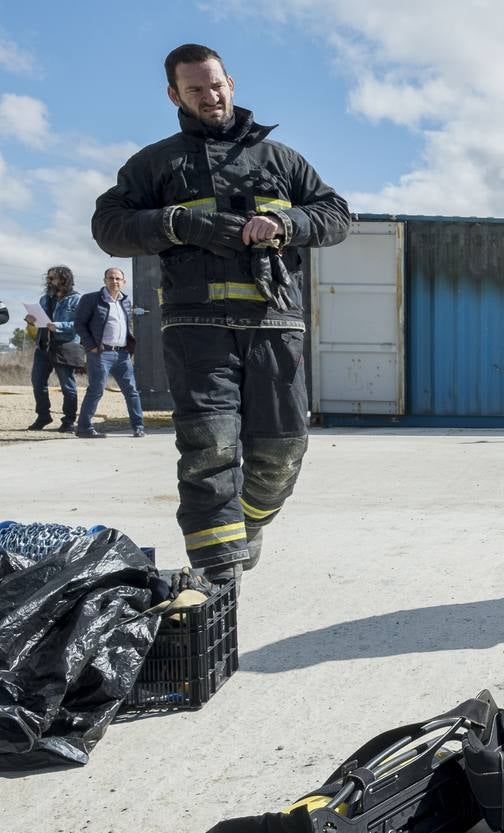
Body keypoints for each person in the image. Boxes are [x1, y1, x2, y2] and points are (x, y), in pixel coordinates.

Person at [92, 43, 350, 583]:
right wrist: (180, 225)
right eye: (195, 90)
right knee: (210, 450)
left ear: (231, 81)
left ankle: (247, 527)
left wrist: (285, 225)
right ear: (173, 95)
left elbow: (336, 215)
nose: (210, 97)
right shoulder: (155, 164)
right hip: (197, 330)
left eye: (216, 85)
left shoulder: (282, 160)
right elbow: (108, 227)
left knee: (282, 453)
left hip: (275, 325)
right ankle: (219, 574)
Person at [73, 267, 145, 438]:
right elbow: (79, 324)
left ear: (124, 282)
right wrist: (91, 346)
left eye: (118, 278)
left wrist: (129, 347)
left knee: (132, 391)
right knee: (96, 390)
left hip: (122, 354)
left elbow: (127, 325)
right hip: (100, 353)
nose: (115, 281)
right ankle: (84, 428)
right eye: (111, 278)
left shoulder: (126, 301)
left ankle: (138, 426)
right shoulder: (91, 299)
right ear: (104, 280)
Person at [24, 266, 83, 433]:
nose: (49, 281)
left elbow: (79, 324)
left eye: (52, 278)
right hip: (43, 346)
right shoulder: (44, 299)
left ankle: (69, 420)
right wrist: (31, 321)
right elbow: (40, 323)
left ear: (64, 280)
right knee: (38, 383)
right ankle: (43, 416)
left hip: (65, 346)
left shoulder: (77, 299)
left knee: (67, 386)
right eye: (48, 278)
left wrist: (58, 326)